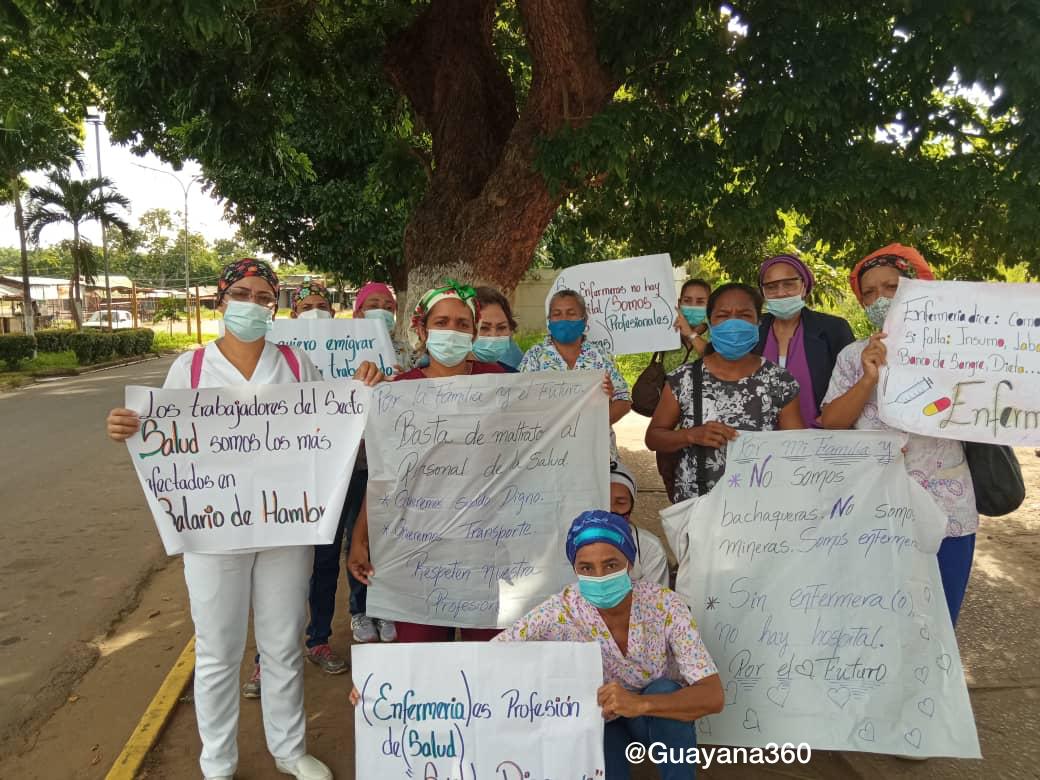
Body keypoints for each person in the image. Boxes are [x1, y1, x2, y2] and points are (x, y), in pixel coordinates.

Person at [105, 259, 333, 780]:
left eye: (263, 295)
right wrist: (128, 427)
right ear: (221, 298)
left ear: (275, 305)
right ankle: (218, 762)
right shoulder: (188, 368)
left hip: (284, 525)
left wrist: (362, 390)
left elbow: (330, 428)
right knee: (217, 649)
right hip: (212, 530)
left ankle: (289, 748)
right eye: (241, 292)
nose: (252, 303)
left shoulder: (297, 366)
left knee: (281, 642)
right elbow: (163, 439)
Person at [492, 511, 723, 780]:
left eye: (611, 564)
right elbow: (492, 656)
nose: (600, 577)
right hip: (598, 721)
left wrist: (640, 704)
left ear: (629, 563)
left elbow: (713, 695)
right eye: (587, 568)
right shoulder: (560, 612)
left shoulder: (663, 605)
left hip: (651, 717)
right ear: (575, 568)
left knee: (666, 691)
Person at [820, 244, 977, 625]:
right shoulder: (851, 356)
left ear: (920, 289)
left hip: (948, 511)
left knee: (938, 621)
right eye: (869, 292)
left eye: (892, 287)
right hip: (874, 513)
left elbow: (988, 409)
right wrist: (868, 377)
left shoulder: (958, 352)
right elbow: (831, 422)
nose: (880, 299)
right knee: (879, 624)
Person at [348, 279, 506, 642]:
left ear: (473, 332)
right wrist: (360, 538)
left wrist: (595, 395)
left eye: (463, 324)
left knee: (489, 654)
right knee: (420, 654)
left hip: (485, 545)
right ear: (421, 329)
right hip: (416, 549)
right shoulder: (398, 391)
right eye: (442, 322)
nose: (452, 331)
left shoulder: (500, 383)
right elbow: (386, 477)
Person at [242, 277, 352, 700]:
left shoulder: (302, 363)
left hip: (314, 486)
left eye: (321, 305)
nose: (314, 311)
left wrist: (364, 387)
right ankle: (262, 662)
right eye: (305, 305)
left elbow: (331, 408)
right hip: (259, 494)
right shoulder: (219, 363)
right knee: (264, 582)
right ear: (289, 314)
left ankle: (317, 639)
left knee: (322, 566)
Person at [645, 283, 805, 502]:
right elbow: (653, 438)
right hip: (696, 505)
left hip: (760, 507)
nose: (733, 322)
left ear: (758, 322)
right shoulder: (684, 379)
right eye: (723, 315)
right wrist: (691, 435)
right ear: (711, 323)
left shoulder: (779, 381)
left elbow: (798, 448)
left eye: (744, 315)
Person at [518, 289, 632, 464]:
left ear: (584, 320)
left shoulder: (601, 356)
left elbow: (623, 401)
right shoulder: (535, 356)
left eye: (571, 313)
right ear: (549, 321)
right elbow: (520, 404)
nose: (564, 319)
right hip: (547, 455)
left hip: (597, 453)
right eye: (557, 314)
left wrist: (595, 420)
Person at [755, 254, 855, 426]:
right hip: (759, 443)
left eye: (789, 284)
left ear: (804, 286)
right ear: (763, 292)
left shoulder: (833, 329)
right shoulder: (753, 330)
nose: (780, 293)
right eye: (771, 287)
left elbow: (854, 382)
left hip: (821, 441)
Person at [610, 462, 669, 587]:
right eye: (604, 501)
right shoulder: (578, 543)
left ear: (632, 504)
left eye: (620, 503)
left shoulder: (650, 548)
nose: (612, 510)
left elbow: (657, 599)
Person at [352, 281, 414, 371]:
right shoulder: (343, 350)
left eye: (388, 308)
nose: (382, 312)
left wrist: (406, 378)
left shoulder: (406, 351)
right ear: (357, 314)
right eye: (373, 306)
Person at [473, 285, 524, 370]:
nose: (494, 336)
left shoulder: (514, 377)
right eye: (484, 328)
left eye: (501, 328)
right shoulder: (448, 376)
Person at [670, 278, 712, 371]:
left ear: (710, 305)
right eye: (687, 300)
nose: (693, 306)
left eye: (700, 302)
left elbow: (715, 358)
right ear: (679, 303)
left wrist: (690, 333)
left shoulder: (716, 332)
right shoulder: (669, 328)